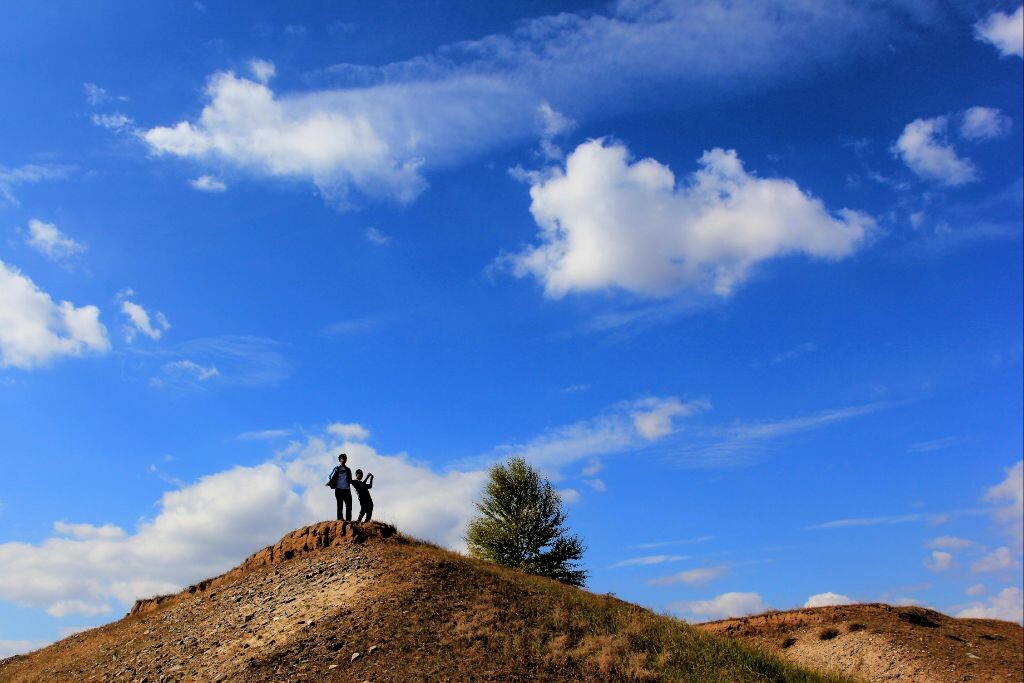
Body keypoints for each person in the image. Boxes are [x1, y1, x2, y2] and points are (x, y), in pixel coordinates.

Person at [325, 453, 353, 521]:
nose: (343, 460)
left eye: (344, 459)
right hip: (338, 489)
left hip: (347, 489)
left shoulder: (348, 470)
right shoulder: (336, 469)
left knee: (349, 505)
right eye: (342, 459)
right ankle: (340, 519)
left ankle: (348, 520)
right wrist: (330, 482)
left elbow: (350, 480)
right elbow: (332, 477)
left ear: (346, 460)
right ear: (339, 460)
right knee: (340, 505)